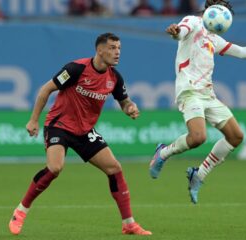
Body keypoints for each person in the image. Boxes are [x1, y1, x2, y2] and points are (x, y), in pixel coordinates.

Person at [8, 33, 151, 236]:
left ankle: (129, 224)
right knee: (55, 168)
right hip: (60, 126)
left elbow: (124, 101)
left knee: (114, 168)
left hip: (84, 131)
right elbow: (45, 89)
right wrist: (33, 120)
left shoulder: (115, 78)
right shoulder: (76, 69)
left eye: (119, 48)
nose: (117, 52)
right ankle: (20, 211)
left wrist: (130, 108)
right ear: (99, 50)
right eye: (112, 47)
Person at [149, 0, 246, 204]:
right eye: (222, 9)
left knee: (236, 137)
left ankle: (199, 175)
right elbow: (181, 31)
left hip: (207, 95)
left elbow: (241, 52)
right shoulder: (192, 22)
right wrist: (175, 31)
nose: (225, 13)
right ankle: (163, 152)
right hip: (189, 91)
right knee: (198, 137)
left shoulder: (213, 37)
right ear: (210, 10)